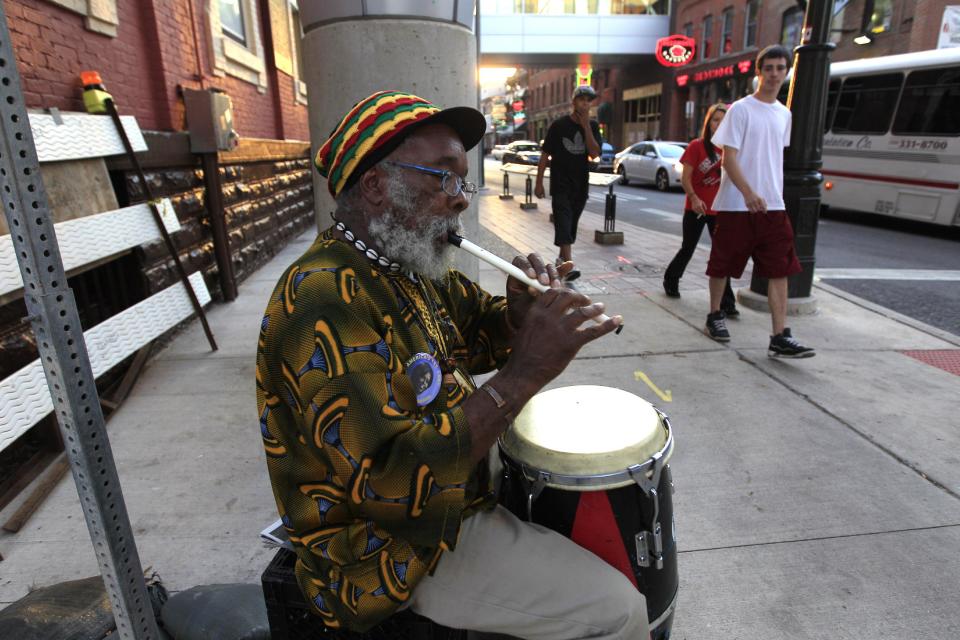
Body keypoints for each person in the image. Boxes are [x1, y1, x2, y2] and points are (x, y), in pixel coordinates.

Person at [256, 90, 646, 639]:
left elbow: (477, 327)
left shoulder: (404, 265)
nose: (461, 199)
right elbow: (392, 484)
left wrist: (517, 315)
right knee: (618, 610)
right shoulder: (323, 298)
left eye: (464, 181)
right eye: (443, 178)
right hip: (388, 549)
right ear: (376, 187)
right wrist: (527, 372)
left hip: (455, 497)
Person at [704, 45, 816, 358]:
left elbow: (773, 157)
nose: (775, 74)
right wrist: (748, 192)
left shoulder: (784, 114)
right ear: (759, 72)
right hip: (736, 204)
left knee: (780, 269)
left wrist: (765, 194)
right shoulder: (740, 109)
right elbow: (729, 159)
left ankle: (780, 335)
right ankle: (715, 316)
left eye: (780, 68)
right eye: (769, 68)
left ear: (786, 72)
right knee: (722, 264)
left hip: (773, 206)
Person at [663, 102, 738, 317]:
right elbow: (685, 178)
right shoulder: (697, 146)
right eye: (716, 120)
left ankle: (727, 301)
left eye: (724, 120)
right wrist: (694, 198)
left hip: (721, 210)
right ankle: (671, 279)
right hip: (697, 207)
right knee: (688, 247)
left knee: (722, 255)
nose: (720, 124)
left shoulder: (731, 149)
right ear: (709, 123)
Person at [534, 85, 603, 282]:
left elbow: (594, 153)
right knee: (563, 221)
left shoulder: (593, 126)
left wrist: (586, 126)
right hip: (560, 183)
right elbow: (545, 155)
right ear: (574, 102)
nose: (585, 103)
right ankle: (570, 265)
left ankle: (561, 260)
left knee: (571, 226)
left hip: (580, 185)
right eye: (582, 99)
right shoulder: (558, 125)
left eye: (589, 100)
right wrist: (539, 183)